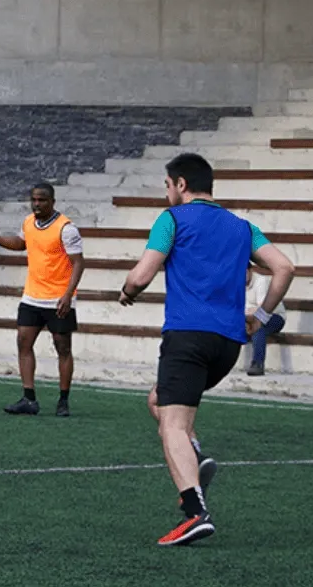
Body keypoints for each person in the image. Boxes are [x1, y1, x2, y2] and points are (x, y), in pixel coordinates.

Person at [120, 153, 295, 547]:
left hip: (188, 337)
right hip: (228, 344)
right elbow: (284, 267)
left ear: (181, 184)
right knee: (159, 401)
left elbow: (142, 274)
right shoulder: (241, 226)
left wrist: (128, 291)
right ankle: (195, 459)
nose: (166, 193)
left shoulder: (173, 220)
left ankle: (194, 512)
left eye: (167, 185)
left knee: (173, 424)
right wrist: (262, 317)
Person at [0, 183, 85, 417]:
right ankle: (28, 399)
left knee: (62, 347)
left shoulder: (66, 228)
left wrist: (68, 295)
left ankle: (63, 400)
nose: (36, 204)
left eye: (41, 200)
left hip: (58, 298)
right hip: (32, 296)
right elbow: (21, 244)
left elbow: (79, 263)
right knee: (23, 341)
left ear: (52, 201)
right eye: (33, 200)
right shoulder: (29, 222)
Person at [245, 265, 287, 376]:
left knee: (258, 328)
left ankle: (257, 364)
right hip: (248, 317)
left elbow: (263, 309)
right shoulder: (235, 282)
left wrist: (247, 313)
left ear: (250, 270)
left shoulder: (261, 281)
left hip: (274, 316)